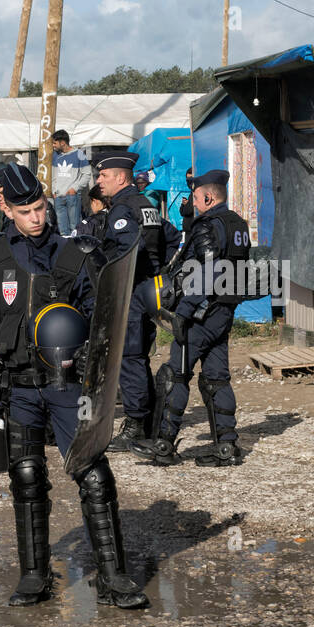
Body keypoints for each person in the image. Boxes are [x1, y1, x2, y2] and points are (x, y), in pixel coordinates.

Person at [0, 162, 149, 610]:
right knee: (26, 476)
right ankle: (34, 575)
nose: (36, 218)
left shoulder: (74, 254)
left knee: (94, 473)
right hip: (18, 385)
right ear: (7, 209)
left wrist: (93, 364)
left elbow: (102, 319)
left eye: (41, 208)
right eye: (26, 211)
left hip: (67, 385)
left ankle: (113, 576)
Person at [133, 170, 250, 468]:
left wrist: (184, 311)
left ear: (208, 197)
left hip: (202, 312)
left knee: (174, 375)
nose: (193, 203)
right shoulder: (237, 224)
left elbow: (210, 270)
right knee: (215, 378)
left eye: (196, 197)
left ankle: (163, 445)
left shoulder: (207, 225)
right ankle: (226, 447)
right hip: (224, 310)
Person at [92, 151, 182, 452]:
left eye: (103, 175)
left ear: (121, 178)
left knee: (129, 357)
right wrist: (159, 271)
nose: (99, 180)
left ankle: (135, 423)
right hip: (148, 290)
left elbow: (131, 247)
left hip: (130, 291)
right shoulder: (145, 204)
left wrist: (118, 275)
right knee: (138, 355)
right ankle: (147, 418)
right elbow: (172, 237)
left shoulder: (123, 208)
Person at [50, 130, 90, 235]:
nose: (53, 145)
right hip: (58, 197)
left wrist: (74, 189)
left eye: (55, 143)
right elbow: (53, 174)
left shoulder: (79, 154)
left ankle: (76, 246)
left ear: (63, 143)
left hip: (72, 196)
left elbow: (87, 174)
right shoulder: (55, 155)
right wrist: (54, 190)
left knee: (75, 228)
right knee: (62, 230)